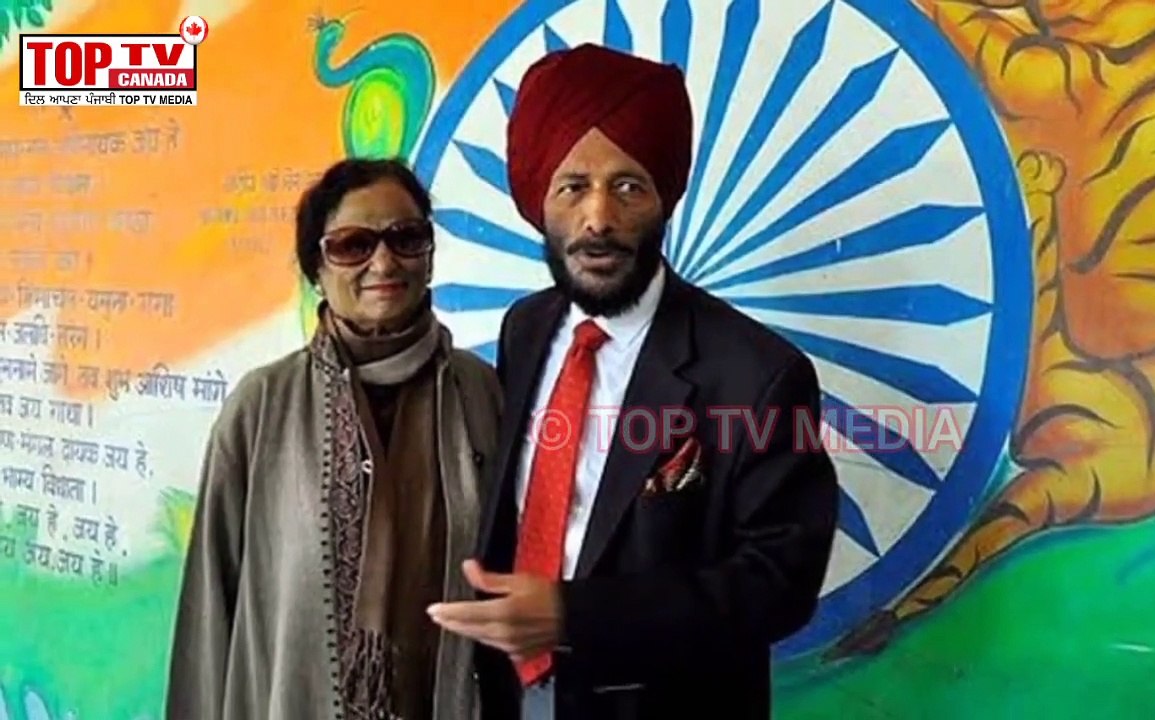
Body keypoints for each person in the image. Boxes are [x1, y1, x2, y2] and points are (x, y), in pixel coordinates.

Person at [426, 44, 840, 719]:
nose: (599, 219)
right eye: (572, 186)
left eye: (627, 187)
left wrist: (574, 616)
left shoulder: (759, 374)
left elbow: (778, 584)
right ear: (539, 201)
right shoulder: (526, 329)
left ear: (663, 200)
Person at [166, 158, 502, 720]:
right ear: (316, 269)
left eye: (406, 238)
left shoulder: (479, 392)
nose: (384, 262)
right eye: (352, 245)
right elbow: (209, 601)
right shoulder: (263, 406)